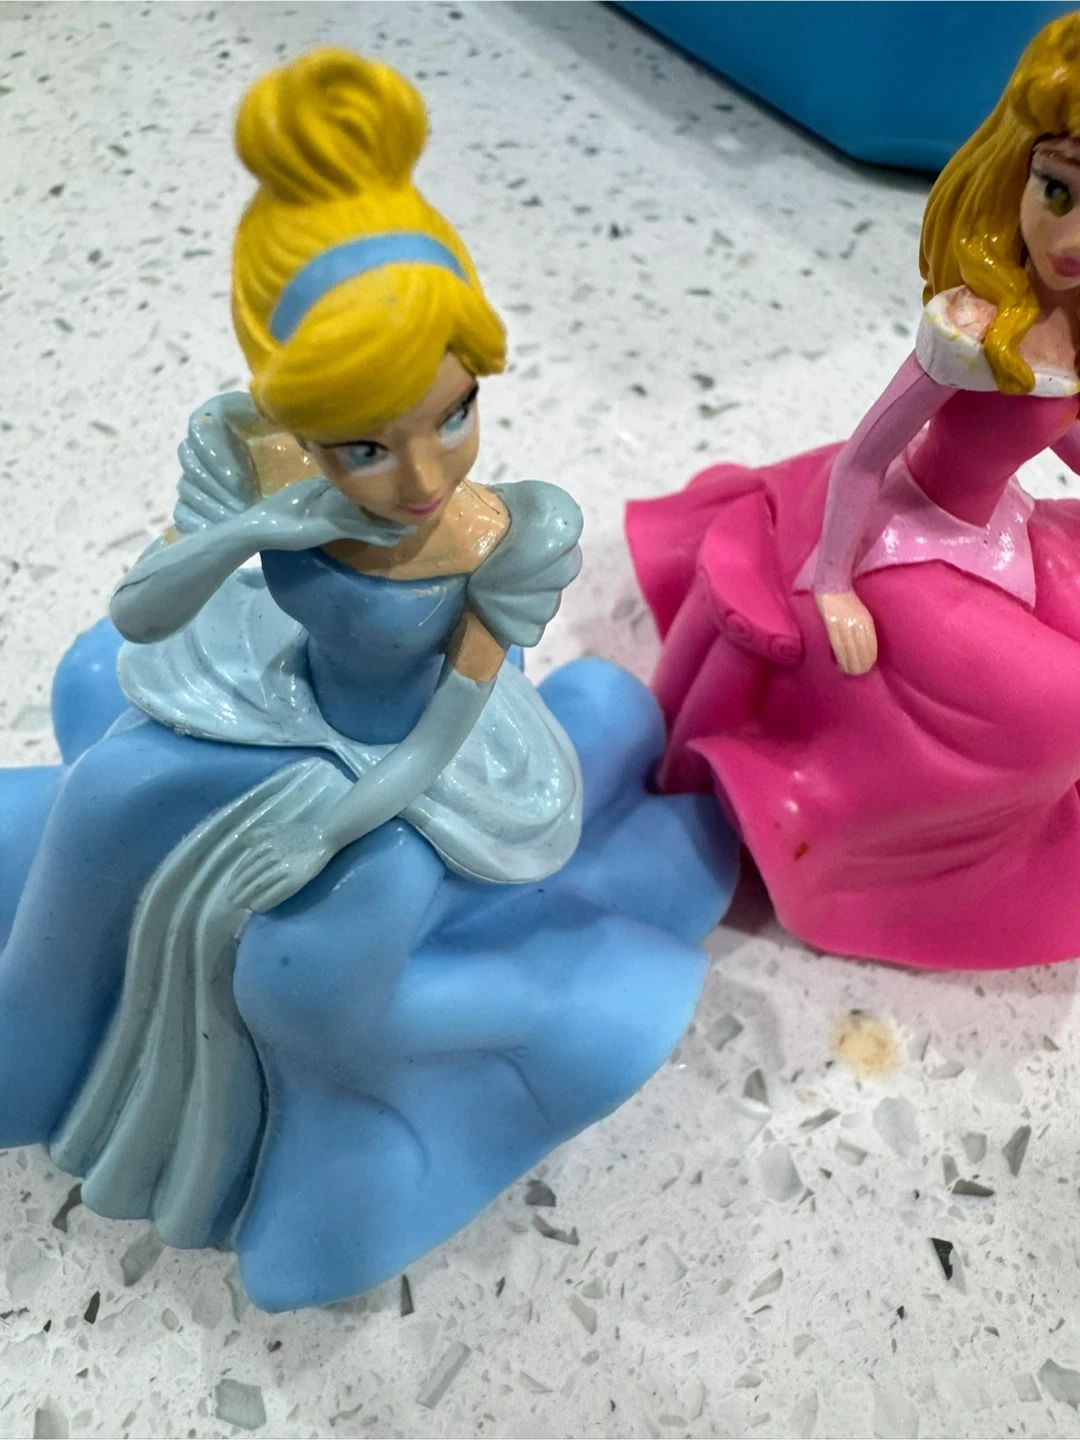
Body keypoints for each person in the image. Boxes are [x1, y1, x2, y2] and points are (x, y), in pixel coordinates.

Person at [0, 49, 736, 1311]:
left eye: (454, 415)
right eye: (364, 446)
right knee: (107, 797)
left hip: (418, 775)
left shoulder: (502, 530)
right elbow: (146, 612)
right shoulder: (250, 453)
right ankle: (40, 1047)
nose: (422, 477)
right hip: (269, 704)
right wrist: (254, 530)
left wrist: (344, 814)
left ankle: (507, 1040)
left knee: (304, 977)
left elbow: (459, 704)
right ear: (295, 416)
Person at [627, 13, 1080, 971]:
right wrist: (832, 581)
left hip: (999, 530)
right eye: (1057, 191)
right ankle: (881, 852)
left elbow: (1060, 432)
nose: (1071, 236)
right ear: (1019, 174)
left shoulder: (1074, 328)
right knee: (1059, 707)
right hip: (907, 540)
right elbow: (866, 460)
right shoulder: (969, 328)